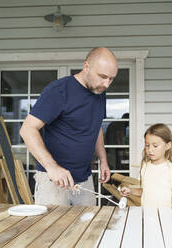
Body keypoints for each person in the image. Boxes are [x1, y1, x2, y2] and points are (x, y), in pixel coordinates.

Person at [20, 47, 118, 206]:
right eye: (102, 76)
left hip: (84, 179)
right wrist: (52, 167)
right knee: (53, 231)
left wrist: (103, 160)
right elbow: (27, 129)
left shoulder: (99, 92)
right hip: (54, 181)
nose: (106, 84)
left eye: (111, 79)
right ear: (86, 66)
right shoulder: (59, 90)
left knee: (88, 229)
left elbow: (96, 126)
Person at [120, 123, 172, 207]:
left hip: (165, 216)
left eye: (155, 146)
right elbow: (145, 191)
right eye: (147, 145)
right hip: (146, 215)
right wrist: (130, 191)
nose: (150, 150)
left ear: (168, 146)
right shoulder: (145, 167)